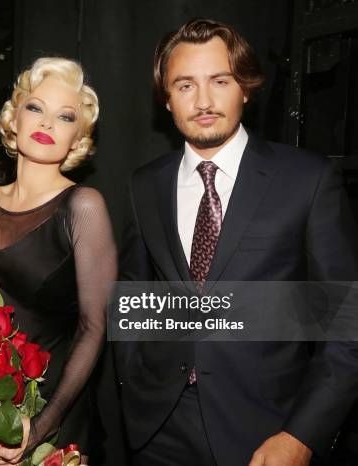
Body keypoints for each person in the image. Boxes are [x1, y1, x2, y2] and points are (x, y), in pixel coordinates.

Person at [116, 18, 358, 466]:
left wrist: (301, 436)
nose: (204, 101)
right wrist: (134, 381)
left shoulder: (307, 179)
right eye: (185, 85)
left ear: (245, 88)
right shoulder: (144, 185)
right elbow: (133, 294)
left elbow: (346, 323)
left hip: (266, 432)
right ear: (166, 100)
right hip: (158, 429)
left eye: (220, 81)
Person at [0, 57, 117, 465]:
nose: (46, 124)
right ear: (14, 120)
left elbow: (94, 326)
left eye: (65, 117)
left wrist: (40, 426)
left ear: (76, 139)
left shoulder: (83, 206)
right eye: (35, 108)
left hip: (53, 418)